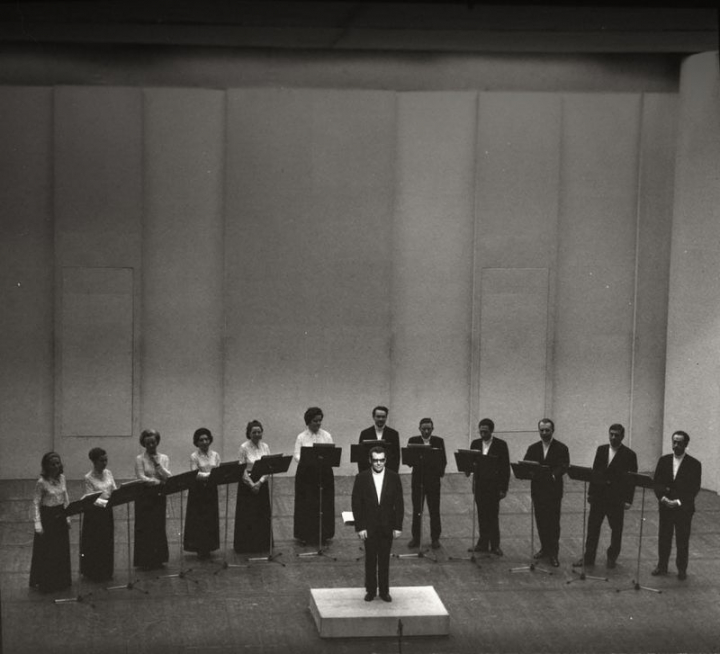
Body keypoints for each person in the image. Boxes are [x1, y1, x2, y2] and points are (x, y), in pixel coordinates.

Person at [573, 424, 637, 569]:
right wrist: (591, 493)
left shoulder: (629, 455)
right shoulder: (601, 450)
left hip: (616, 499)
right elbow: (595, 471)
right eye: (611, 434)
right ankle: (589, 557)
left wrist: (628, 499)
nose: (613, 437)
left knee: (616, 529)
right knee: (593, 528)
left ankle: (612, 557)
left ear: (623, 436)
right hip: (599, 497)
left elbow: (631, 480)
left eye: (617, 435)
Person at [352, 446, 404, 603]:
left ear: (386, 460)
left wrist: (397, 526)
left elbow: (399, 503)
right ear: (370, 460)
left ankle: (384, 591)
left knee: (384, 560)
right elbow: (356, 504)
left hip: (387, 525)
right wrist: (360, 527)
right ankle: (370, 590)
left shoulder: (394, 477)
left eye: (381, 460)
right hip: (369, 526)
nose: (378, 463)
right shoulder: (361, 477)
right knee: (370, 559)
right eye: (375, 460)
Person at [651, 430, 702, 581]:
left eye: (680, 443)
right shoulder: (664, 460)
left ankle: (681, 569)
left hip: (683, 509)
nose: (676, 445)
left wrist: (678, 501)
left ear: (686, 444)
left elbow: (694, 488)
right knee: (664, 537)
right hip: (666, 506)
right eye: (674, 442)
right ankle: (662, 565)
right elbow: (657, 482)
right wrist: (662, 498)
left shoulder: (694, 464)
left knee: (682, 539)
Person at [523, 418, 569, 567]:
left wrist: (553, 475)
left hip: (553, 490)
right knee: (541, 521)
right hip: (538, 490)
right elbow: (526, 463)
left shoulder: (561, 448)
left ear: (552, 431)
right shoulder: (533, 448)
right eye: (541, 430)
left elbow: (564, 465)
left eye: (547, 430)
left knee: (553, 523)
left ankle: (554, 553)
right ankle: (544, 548)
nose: (544, 433)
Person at [29, 452, 72, 592]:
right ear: (46, 466)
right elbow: (35, 503)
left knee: (61, 550)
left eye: (57, 463)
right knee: (48, 552)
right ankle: (48, 582)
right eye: (52, 464)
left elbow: (65, 498)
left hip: (60, 516)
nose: (55, 466)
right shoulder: (41, 482)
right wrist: (37, 524)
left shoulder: (62, 478)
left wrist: (68, 516)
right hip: (48, 518)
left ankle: (61, 581)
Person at [293, 407, 335, 545]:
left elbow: (331, 452)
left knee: (324, 503)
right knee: (307, 503)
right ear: (308, 421)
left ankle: (324, 533)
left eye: (319, 421)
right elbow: (297, 455)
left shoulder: (326, 435)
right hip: (307, 474)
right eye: (315, 421)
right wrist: (308, 461)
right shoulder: (301, 437)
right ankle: (305, 534)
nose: (318, 423)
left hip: (323, 473)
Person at [469, 418, 510, 556]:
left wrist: (504, 488)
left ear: (491, 431)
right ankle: (482, 543)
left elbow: (505, 468)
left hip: (494, 485)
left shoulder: (501, 445)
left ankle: (495, 545)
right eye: (481, 431)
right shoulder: (475, 443)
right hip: (480, 485)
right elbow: (470, 462)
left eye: (485, 431)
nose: (482, 434)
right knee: (481, 514)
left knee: (492, 515)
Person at [134, 428, 171, 570]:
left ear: (157, 442)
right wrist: (157, 482)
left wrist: (157, 464)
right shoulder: (139, 459)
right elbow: (141, 477)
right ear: (144, 444)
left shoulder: (164, 458)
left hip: (159, 496)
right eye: (148, 443)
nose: (151, 446)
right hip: (144, 496)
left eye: (153, 443)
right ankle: (144, 560)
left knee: (158, 526)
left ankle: (158, 558)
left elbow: (167, 476)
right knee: (145, 527)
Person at [407, 417, 447, 550]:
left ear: (432, 429)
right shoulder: (413, 441)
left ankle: (435, 538)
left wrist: (438, 473)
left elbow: (443, 460)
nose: (426, 431)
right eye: (423, 429)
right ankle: (416, 538)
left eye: (428, 429)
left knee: (434, 510)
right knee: (417, 510)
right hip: (418, 480)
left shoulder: (438, 441)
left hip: (433, 481)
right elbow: (409, 460)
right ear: (419, 429)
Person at [234, 420, 272, 553]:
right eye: (254, 432)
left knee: (261, 514)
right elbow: (241, 468)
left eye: (259, 432)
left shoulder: (265, 447)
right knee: (248, 515)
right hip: (247, 484)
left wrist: (260, 482)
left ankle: (262, 544)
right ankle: (246, 545)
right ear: (249, 433)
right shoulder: (244, 447)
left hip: (261, 483)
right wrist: (251, 484)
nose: (257, 434)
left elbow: (268, 467)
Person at [81, 447, 117, 581]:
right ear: (94, 461)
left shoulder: (108, 473)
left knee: (107, 541)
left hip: (107, 512)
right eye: (102, 460)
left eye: (106, 460)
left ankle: (107, 571)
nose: (105, 463)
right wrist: (107, 503)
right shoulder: (88, 477)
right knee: (96, 543)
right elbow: (91, 498)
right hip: (95, 514)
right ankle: (94, 572)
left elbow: (113, 489)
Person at [184, 427, 221, 559]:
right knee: (199, 519)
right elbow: (195, 473)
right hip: (198, 491)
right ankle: (199, 547)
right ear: (197, 442)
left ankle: (210, 546)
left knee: (211, 517)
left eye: (206, 439)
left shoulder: (215, 455)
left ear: (210, 440)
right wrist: (210, 476)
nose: (204, 442)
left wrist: (210, 476)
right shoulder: (194, 456)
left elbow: (218, 471)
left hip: (211, 490)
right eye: (201, 440)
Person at [357, 405, 400, 473]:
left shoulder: (393, 434)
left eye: (383, 417)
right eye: (378, 416)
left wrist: (394, 474)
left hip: (387, 471)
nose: (381, 419)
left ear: (386, 417)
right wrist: (362, 474)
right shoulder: (365, 433)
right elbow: (361, 457)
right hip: (369, 471)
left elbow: (396, 457)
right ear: (373, 417)